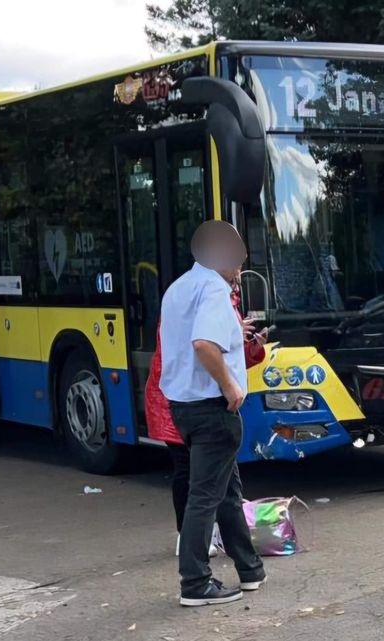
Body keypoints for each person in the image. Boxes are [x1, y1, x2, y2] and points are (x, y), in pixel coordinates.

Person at [160, 220, 266, 607]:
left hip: (184, 408)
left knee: (226, 491)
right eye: (237, 261)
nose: (240, 269)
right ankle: (195, 582)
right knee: (205, 496)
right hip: (213, 408)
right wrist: (230, 385)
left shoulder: (177, 289)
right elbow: (204, 344)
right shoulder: (214, 290)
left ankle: (250, 570)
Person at [146, 275, 268, 556]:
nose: (239, 276)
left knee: (217, 480)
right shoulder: (203, 297)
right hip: (185, 400)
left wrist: (245, 344)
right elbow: (200, 351)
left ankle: (231, 557)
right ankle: (192, 551)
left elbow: (224, 357)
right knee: (194, 476)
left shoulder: (218, 297)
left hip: (194, 402)